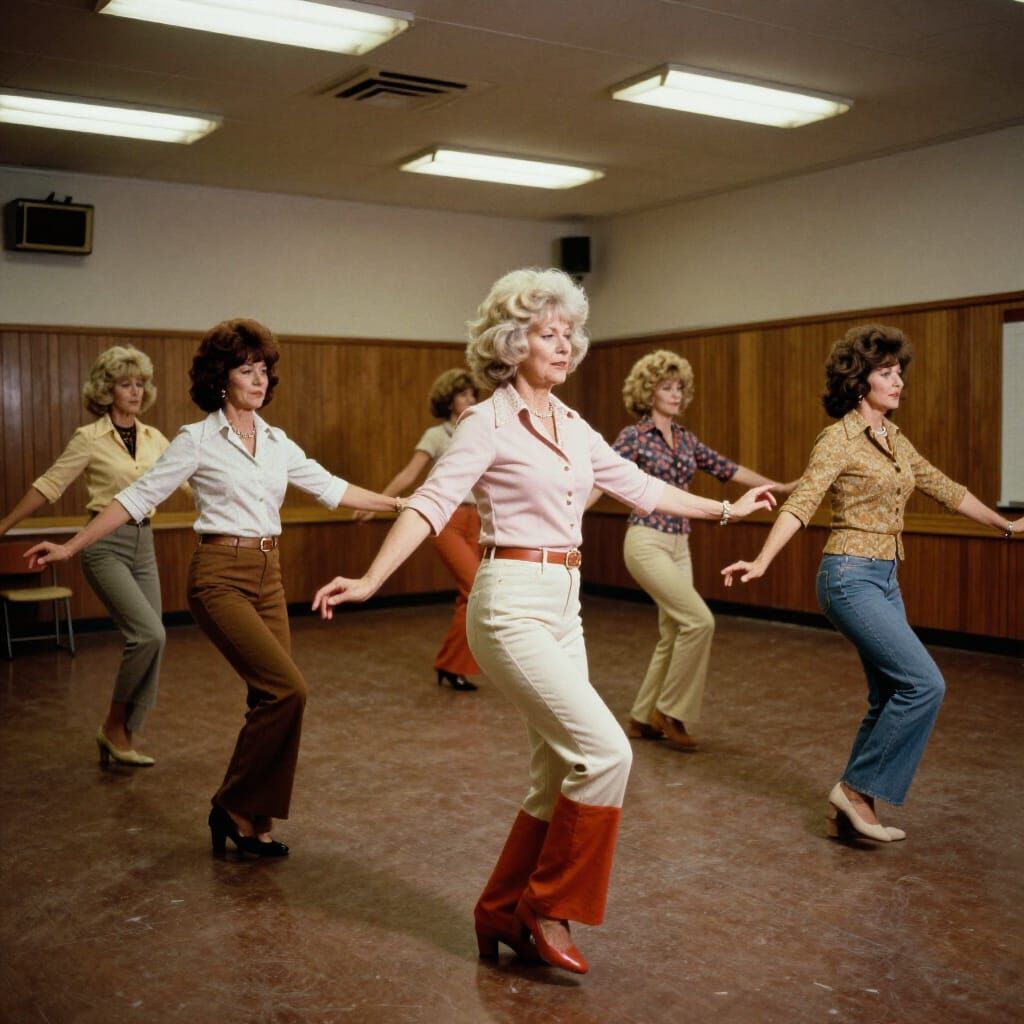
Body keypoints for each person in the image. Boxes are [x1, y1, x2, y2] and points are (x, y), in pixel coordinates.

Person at [312, 269, 776, 973]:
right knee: (608, 754)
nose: (564, 346)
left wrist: (725, 509)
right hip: (509, 603)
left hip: (565, 601)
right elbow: (431, 503)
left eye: (569, 334)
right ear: (511, 343)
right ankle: (549, 905)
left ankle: (500, 910)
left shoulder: (573, 424)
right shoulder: (485, 423)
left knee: (556, 770)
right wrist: (372, 579)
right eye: (546, 334)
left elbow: (639, 485)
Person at [27, 319, 400, 857]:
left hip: (269, 573)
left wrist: (403, 505)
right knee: (288, 689)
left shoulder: (276, 441)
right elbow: (135, 498)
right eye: (247, 370)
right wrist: (71, 546)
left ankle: (254, 822)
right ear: (221, 379)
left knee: (268, 697)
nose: (259, 379)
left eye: (264, 370)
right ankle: (230, 804)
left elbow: (333, 488)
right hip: (219, 575)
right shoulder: (196, 440)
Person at [721, 324, 1021, 842]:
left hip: (885, 577)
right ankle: (856, 791)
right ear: (860, 381)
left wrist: (1008, 526)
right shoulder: (838, 439)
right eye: (886, 373)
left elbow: (944, 488)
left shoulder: (894, 439)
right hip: (848, 576)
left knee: (888, 694)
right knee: (924, 684)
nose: (898, 381)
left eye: (899, 372)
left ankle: (850, 810)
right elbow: (802, 503)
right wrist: (763, 561)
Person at [598, 349, 792, 750]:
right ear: (648, 392)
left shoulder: (686, 439)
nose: (675, 394)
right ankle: (670, 712)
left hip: (679, 542)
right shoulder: (633, 437)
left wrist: (778, 486)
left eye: (679, 387)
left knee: (673, 631)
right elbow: (604, 477)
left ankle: (641, 717)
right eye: (666, 387)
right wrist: (571, 513)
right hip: (646, 540)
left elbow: (727, 469)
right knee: (699, 621)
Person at [0, 346, 180, 766]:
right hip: (104, 545)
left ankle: (125, 733)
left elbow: (188, 479)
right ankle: (113, 729)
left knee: (154, 639)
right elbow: (49, 485)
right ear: (106, 390)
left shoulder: (155, 438)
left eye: (140, 384)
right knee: (148, 635)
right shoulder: (89, 438)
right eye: (125, 384)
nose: (135, 392)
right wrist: (4, 524)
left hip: (145, 543)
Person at [354, 368, 482, 691]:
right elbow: (409, 475)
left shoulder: (481, 430)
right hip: (447, 520)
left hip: (480, 520)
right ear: (449, 400)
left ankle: (451, 665)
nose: (470, 399)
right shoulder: (436, 436)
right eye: (463, 394)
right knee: (475, 588)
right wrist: (377, 503)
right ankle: (452, 665)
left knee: (472, 595)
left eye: (472, 394)